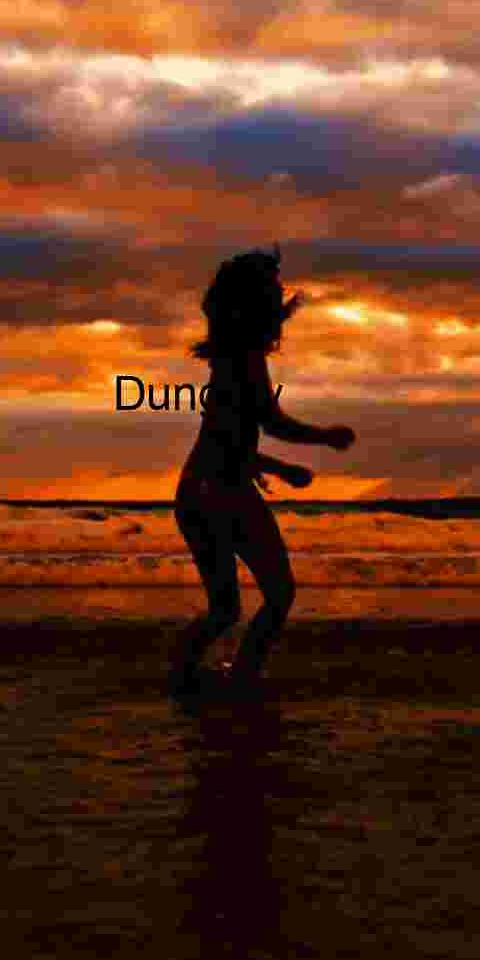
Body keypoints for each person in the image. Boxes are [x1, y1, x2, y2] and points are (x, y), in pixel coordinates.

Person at [169, 249, 356, 700]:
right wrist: (324, 438)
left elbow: (227, 439)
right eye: (272, 288)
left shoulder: (231, 358)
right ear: (254, 302)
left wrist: (277, 467)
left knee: (225, 608)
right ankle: (241, 680)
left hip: (199, 492)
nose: (280, 293)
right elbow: (267, 424)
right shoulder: (244, 359)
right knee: (278, 593)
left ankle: (184, 677)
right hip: (221, 492)